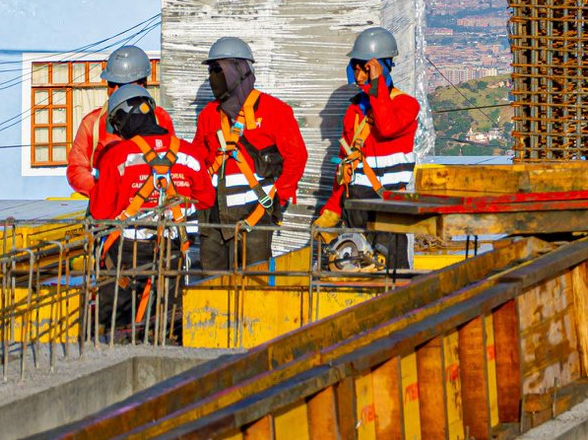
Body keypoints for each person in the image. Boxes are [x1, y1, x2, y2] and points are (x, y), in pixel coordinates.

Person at [87, 84, 212, 341]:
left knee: (114, 333)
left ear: (123, 119)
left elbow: (100, 212)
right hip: (176, 255)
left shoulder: (116, 156)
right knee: (173, 330)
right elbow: (206, 198)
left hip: (126, 258)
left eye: (117, 124)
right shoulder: (190, 154)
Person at [191, 36, 306, 272]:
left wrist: (278, 199)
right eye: (211, 71)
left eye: (218, 70)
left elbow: (296, 157)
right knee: (210, 287)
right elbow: (197, 161)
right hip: (212, 220)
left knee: (255, 286)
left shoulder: (275, 111)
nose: (213, 77)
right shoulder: (208, 116)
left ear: (239, 70)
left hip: (254, 218)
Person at [313, 26, 420, 270]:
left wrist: (377, 85)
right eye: (358, 68)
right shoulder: (354, 111)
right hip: (355, 208)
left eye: (366, 69)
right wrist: (332, 208)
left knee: (390, 275)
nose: (360, 76)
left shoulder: (406, 105)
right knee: (354, 274)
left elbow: (387, 127)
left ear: (380, 68)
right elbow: (345, 163)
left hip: (387, 209)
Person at [66, 44, 151, 197]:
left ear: (142, 84)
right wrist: (101, 192)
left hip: (149, 207)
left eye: (121, 85)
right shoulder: (92, 123)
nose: (113, 90)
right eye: (111, 84)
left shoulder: (160, 119)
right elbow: (76, 168)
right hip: (106, 209)